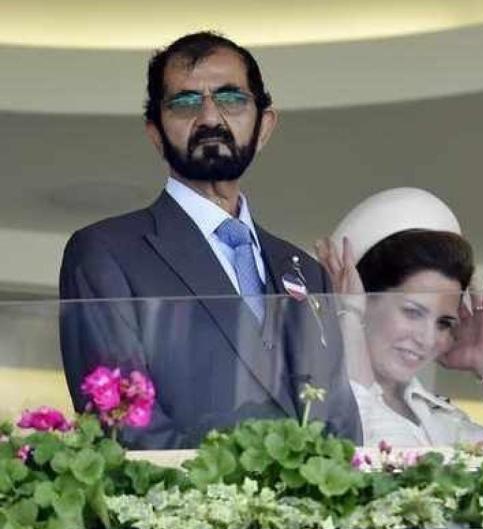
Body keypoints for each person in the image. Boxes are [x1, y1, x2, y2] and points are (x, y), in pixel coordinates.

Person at [59, 32, 361, 448]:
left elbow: (340, 423)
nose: (209, 118)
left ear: (265, 126)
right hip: (182, 507)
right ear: (154, 132)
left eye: (231, 99)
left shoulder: (307, 271)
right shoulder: (107, 252)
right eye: (185, 102)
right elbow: (124, 423)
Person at [316, 187, 483, 446]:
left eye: (444, 323)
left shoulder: (437, 416)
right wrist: (348, 316)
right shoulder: (310, 402)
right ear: (361, 298)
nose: (428, 338)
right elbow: (366, 439)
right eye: (412, 312)